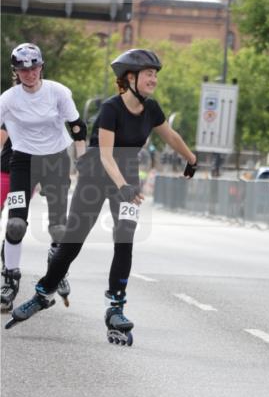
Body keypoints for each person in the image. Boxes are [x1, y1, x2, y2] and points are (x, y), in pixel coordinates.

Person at [7, 48, 198, 346]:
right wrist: (122, 186)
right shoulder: (111, 109)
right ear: (130, 78)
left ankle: (116, 308)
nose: (153, 79)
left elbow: (170, 135)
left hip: (128, 175)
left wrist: (191, 158)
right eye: (149, 74)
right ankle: (43, 293)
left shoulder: (152, 109)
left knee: (125, 240)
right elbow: (107, 156)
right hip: (97, 175)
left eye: (155, 75)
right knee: (72, 243)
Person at [0, 44, 86, 312]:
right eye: (23, 69)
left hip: (56, 161)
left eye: (34, 67)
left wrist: (82, 161)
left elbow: (78, 128)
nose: (29, 73)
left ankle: (57, 264)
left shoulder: (57, 92)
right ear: (15, 71)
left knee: (59, 229)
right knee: (15, 224)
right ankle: (9, 279)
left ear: (41, 67)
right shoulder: (9, 98)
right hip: (23, 162)